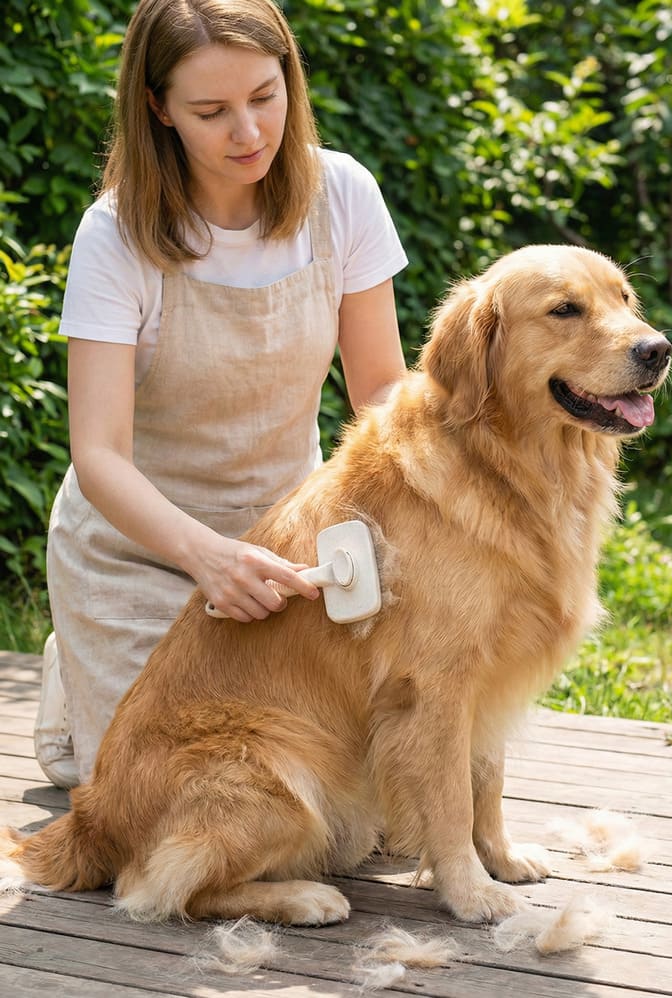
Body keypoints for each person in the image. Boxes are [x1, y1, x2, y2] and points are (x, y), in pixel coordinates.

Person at [35, 0, 407, 789]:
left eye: (265, 98)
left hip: (286, 556)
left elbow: (381, 391)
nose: (249, 134)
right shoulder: (115, 236)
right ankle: (81, 670)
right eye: (212, 111)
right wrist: (205, 558)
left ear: (290, 81)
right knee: (162, 803)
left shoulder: (341, 195)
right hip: (137, 553)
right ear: (158, 107)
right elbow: (97, 454)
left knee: (342, 815)